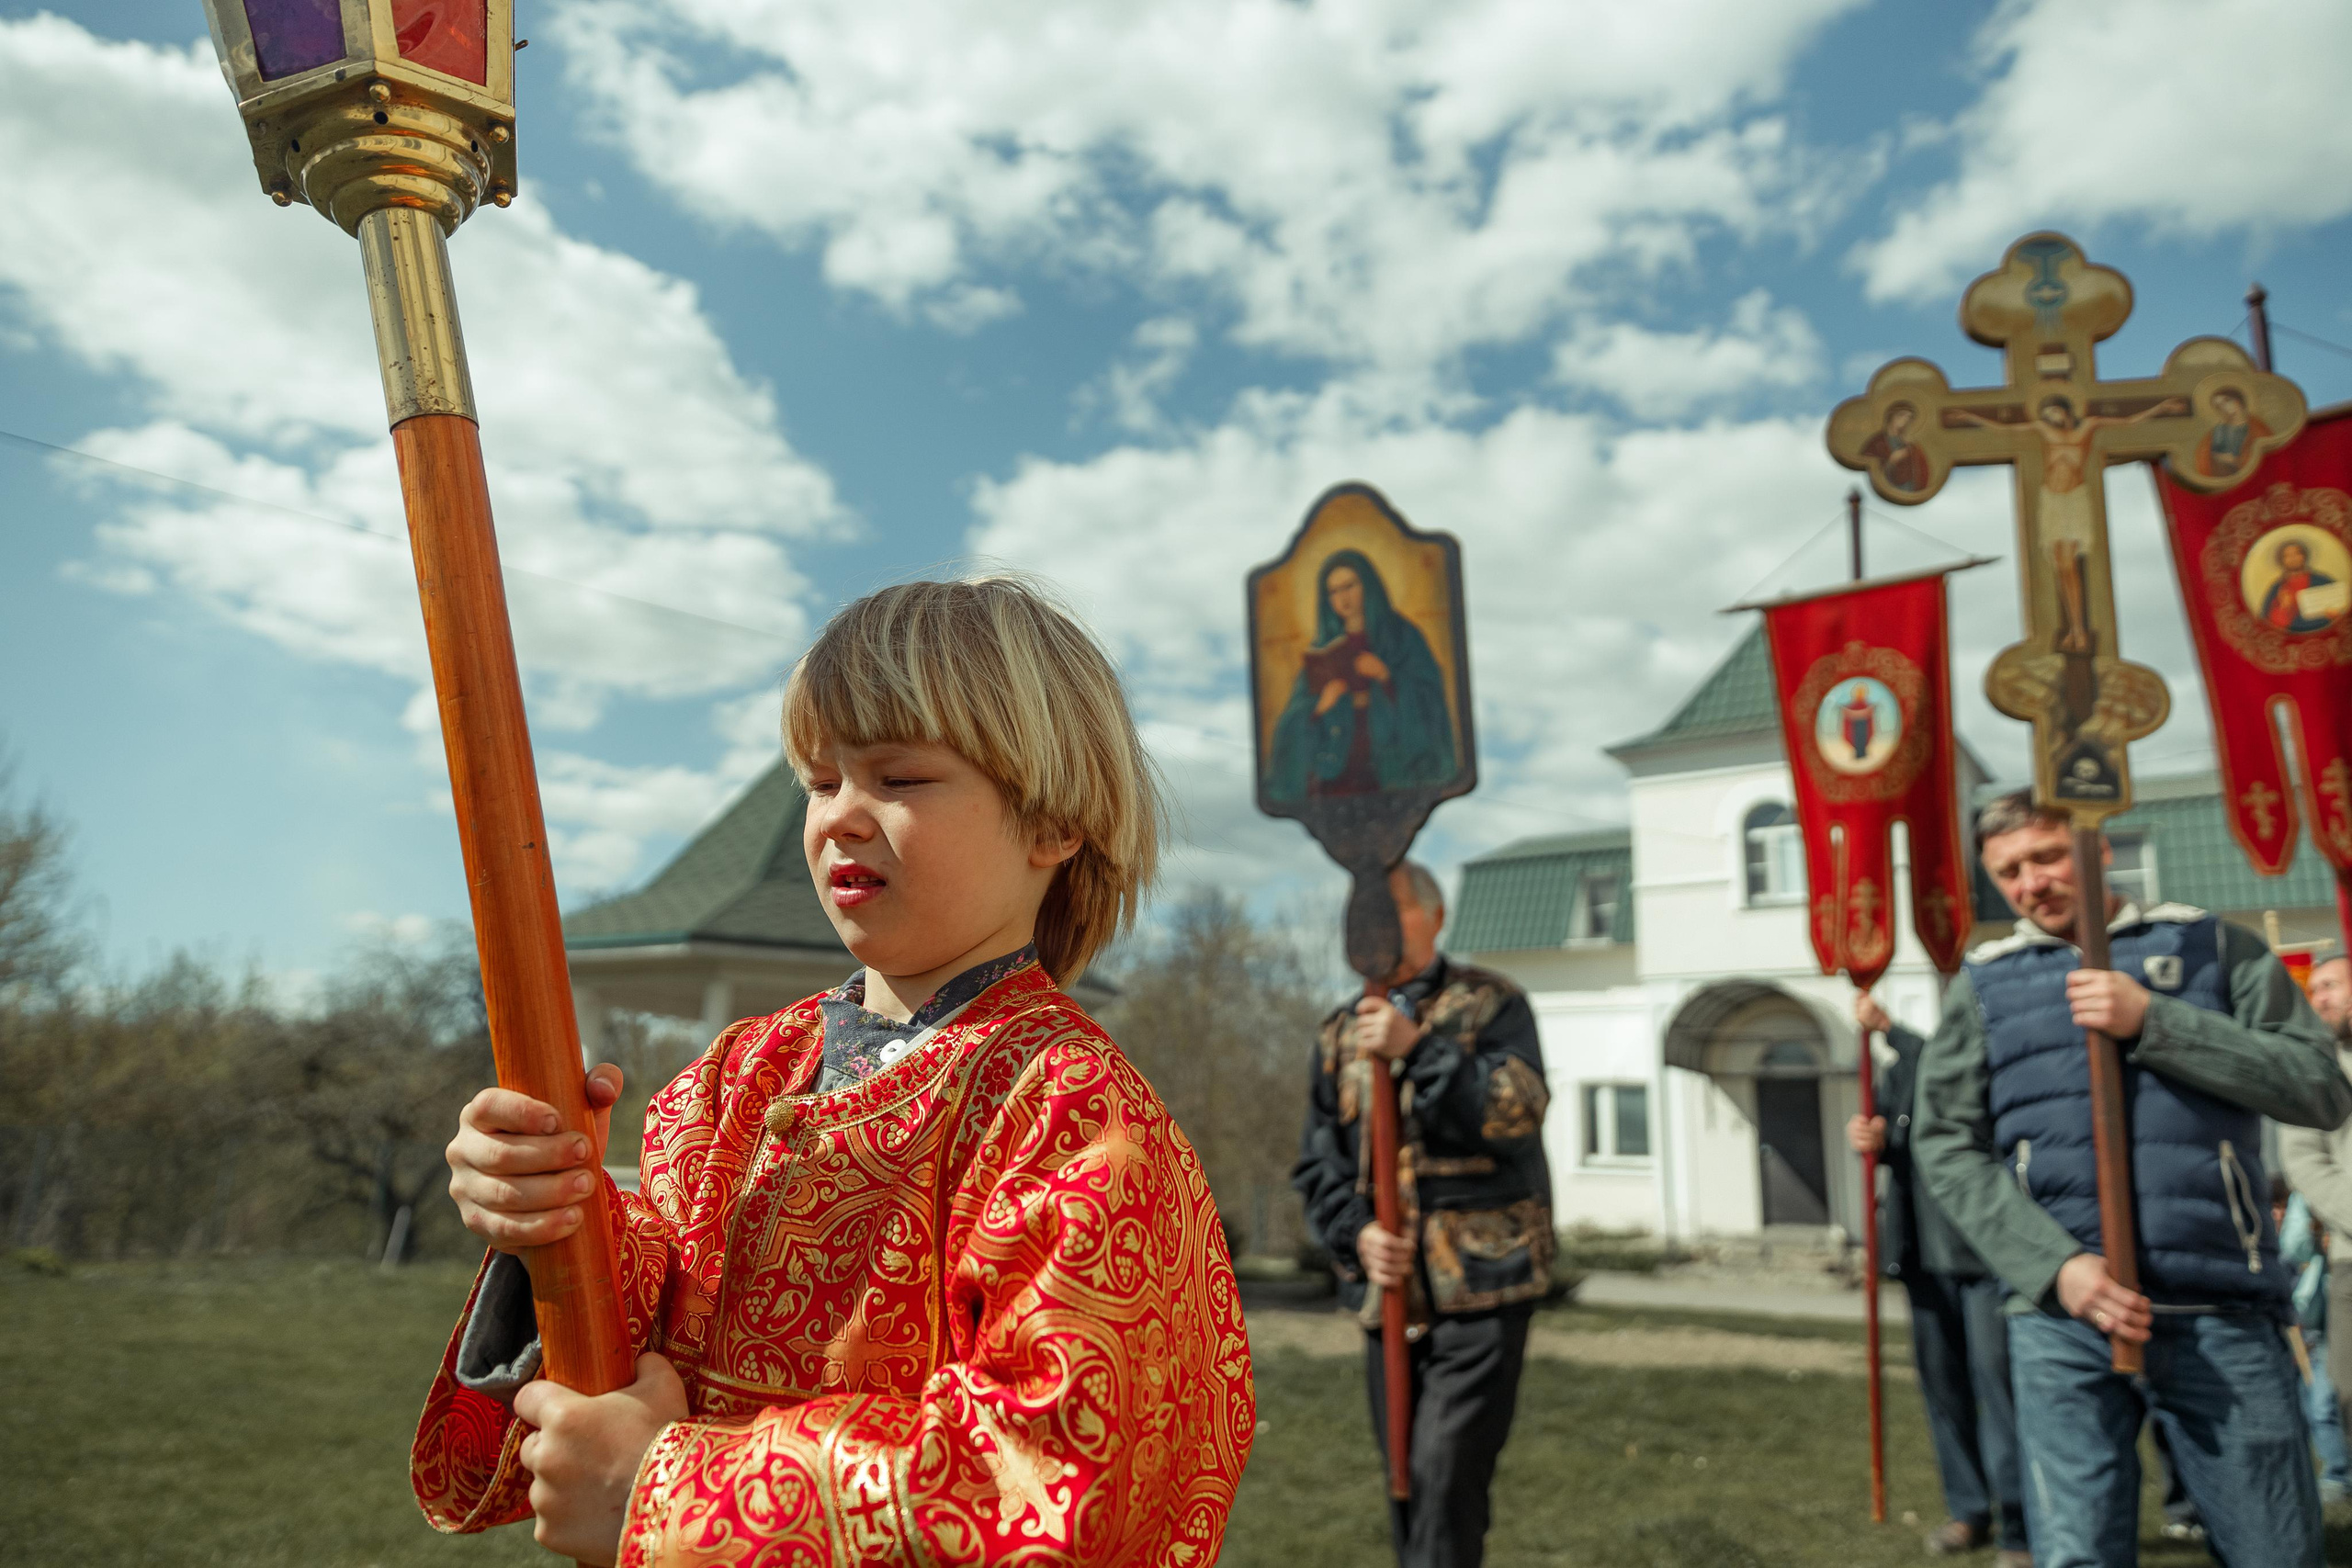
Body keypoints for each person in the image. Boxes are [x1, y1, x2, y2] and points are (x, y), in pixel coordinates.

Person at [410, 577, 1254, 1565]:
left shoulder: (1074, 1114)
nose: (842, 816)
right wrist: (553, 1214)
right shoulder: (736, 1075)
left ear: (1051, 823)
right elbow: (657, 1313)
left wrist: (663, 1489)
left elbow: (1059, 1481)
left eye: (900, 778)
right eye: (820, 782)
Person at [1913, 790, 2352, 1568]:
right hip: (2062, 1319)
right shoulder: (1985, 984)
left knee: (2276, 1549)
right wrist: (2053, 1265)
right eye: (2008, 871)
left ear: (2098, 847)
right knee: (2079, 1554)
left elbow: (2319, 1088)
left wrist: (2156, 1020)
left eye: (2047, 856)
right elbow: (1945, 1143)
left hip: (2219, 1302)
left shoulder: (2214, 947)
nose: (2031, 883)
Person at [1292, 861, 1553, 1568]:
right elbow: (1318, 1165)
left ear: (1435, 918)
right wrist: (1357, 1234)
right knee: (1406, 1481)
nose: (1375, 920)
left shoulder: (1492, 1004)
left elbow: (1516, 1114)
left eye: (1395, 906)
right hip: (1390, 1297)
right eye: (1364, 907)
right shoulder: (1338, 1031)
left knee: (1445, 1475)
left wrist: (1418, 1048)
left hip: (1482, 1284)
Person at [1847, 993, 2029, 1566]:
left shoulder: (1972, 1060)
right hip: (1922, 1252)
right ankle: (1968, 1509)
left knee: (1998, 1387)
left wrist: (1889, 1027)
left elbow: (1933, 1061)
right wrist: (1872, 1139)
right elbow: (1895, 1138)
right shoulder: (1902, 1070)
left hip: (1982, 1255)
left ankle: (2019, 1524)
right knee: (1943, 1390)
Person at [1266, 550, 1457, 802]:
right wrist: (1319, 707)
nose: (1343, 598)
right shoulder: (1323, 648)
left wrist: (1386, 676)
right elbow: (1292, 720)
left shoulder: (1401, 636)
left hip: (1393, 760)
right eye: (1333, 592)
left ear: (1367, 585)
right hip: (1337, 764)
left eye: (1349, 586)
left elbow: (1430, 695)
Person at [2282, 954, 2352, 1472]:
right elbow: (2304, 1161)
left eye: (2331, 986)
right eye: (2315, 990)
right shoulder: (2314, 1072)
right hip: (2349, 1256)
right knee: (2347, 1387)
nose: (2319, 998)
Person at [2278, 1177, 2352, 1503]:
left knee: (2324, 1403)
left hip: (2333, 1315)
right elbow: (2292, 1247)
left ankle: (2339, 1473)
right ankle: (2337, 1472)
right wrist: (2314, 1222)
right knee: (2320, 1403)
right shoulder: (2310, 1192)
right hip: (2323, 1320)